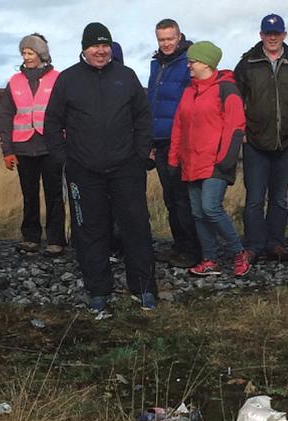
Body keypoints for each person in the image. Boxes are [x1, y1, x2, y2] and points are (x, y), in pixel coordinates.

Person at [44, 22, 157, 313]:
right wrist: (63, 158)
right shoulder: (68, 79)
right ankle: (98, 291)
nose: (101, 50)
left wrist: (140, 154)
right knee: (90, 231)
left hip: (126, 169)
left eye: (105, 45)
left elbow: (143, 119)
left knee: (136, 227)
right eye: (95, 45)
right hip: (83, 171)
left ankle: (143, 288)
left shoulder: (126, 76)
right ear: (84, 48)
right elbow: (52, 122)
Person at [168, 41, 250, 277]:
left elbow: (235, 128)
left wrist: (224, 160)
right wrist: (174, 158)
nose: (189, 66)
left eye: (192, 61)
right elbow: (178, 127)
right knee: (197, 213)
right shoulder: (188, 91)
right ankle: (209, 259)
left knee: (210, 208)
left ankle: (238, 252)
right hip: (191, 162)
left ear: (206, 62)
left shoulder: (227, 89)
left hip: (215, 162)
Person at [234, 13, 288, 262]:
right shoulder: (247, 63)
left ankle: (275, 243)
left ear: (284, 35)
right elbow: (234, 101)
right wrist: (241, 132)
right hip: (255, 142)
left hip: (287, 142)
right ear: (261, 36)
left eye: (277, 33)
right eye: (268, 34)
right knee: (255, 199)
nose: (273, 38)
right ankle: (254, 246)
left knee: (279, 199)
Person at [0, 33, 66, 256]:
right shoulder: (14, 81)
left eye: (30, 52)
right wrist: (7, 150)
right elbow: (6, 115)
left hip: (51, 146)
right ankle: (31, 237)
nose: (26, 57)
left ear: (41, 54)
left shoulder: (58, 78)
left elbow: (67, 111)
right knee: (29, 194)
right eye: (24, 53)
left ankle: (56, 239)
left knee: (54, 194)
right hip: (23, 147)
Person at [148, 18, 201, 268]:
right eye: (162, 39)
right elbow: (151, 102)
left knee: (183, 199)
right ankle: (179, 246)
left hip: (180, 141)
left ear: (179, 37)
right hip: (159, 141)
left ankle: (192, 250)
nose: (166, 43)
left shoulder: (187, 63)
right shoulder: (156, 64)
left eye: (170, 38)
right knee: (171, 198)